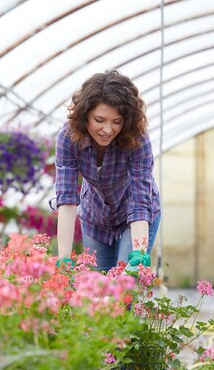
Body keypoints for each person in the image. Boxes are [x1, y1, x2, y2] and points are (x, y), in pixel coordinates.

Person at [53, 70, 161, 274]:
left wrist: (138, 254)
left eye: (117, 121)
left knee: (126, 283)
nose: (108, 129)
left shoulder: (137, 139)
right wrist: (64, 259)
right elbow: (67, 199)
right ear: (85, 115)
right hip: (95, 218)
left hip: (136, 216)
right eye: (99, 120)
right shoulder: (68, 138)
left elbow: (139, 201)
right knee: (98, 288)